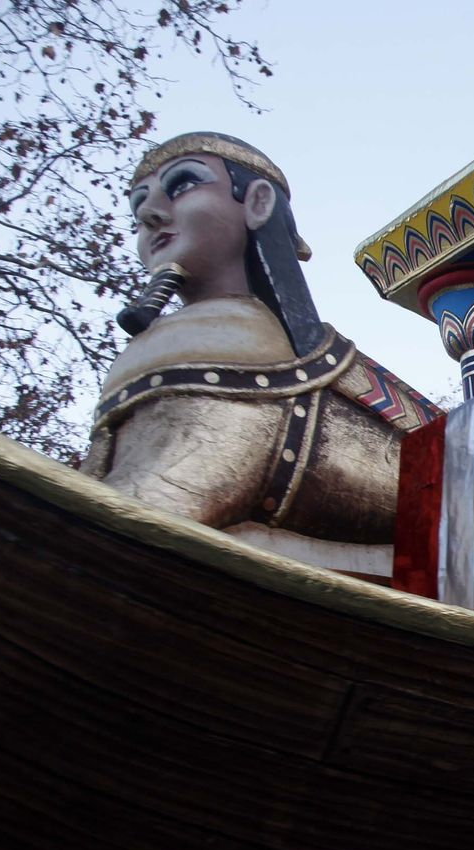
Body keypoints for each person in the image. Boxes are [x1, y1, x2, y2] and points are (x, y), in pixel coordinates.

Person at [82, 132, 437, 543]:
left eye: (182, 186)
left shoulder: (254, 349)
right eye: (138, 210)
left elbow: (150, 511)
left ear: (258, 203)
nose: (152, 216)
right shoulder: (176, 341)